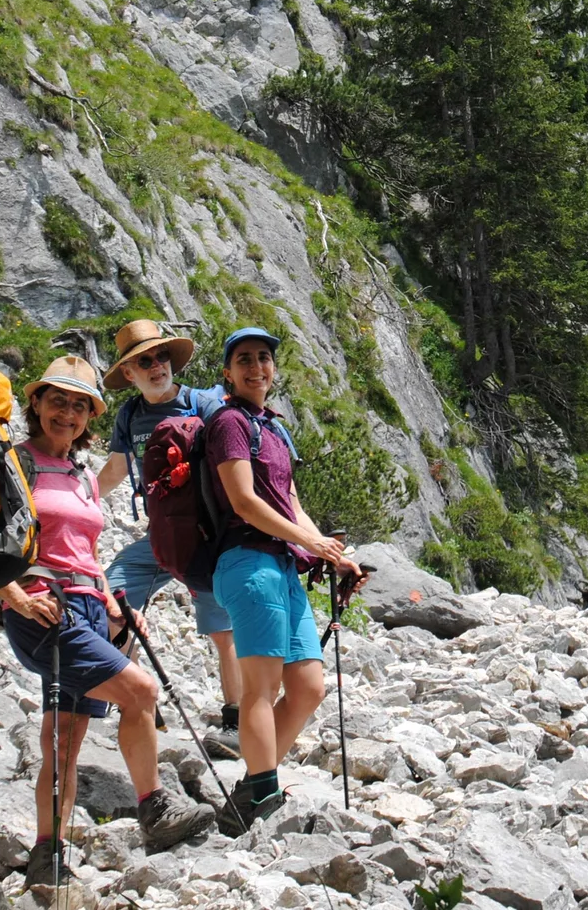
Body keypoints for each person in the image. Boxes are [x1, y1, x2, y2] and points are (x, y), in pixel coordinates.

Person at [0, 355, 215, 878]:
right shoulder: (13, 463)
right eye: (57, 401)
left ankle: (46, 857)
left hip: (91, 609)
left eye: (79, 405)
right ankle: (155, 811)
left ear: (91, 416)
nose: (67, 413)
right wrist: (15, 597)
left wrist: (118, 608)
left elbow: (85, 551)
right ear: (36, 403)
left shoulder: (82, 476)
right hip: (44, 609)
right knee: (141, 692)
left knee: (65, 738)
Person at [206, 327, 365, 835]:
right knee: (260, 688)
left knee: (308, 686)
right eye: (244, 360)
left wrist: (331, 553)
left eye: (264, 358)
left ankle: (252, 788)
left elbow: (289, 501)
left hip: (282, 566)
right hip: (247, 563)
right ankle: (264, 795)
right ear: (227, 373)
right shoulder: (230, 422)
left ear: (274, 369)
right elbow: (245, 502)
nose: (256, 367)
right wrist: (311, 544)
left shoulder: (272, 428)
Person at [99, 319, 249, 759]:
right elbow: (113, 470)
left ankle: (236, 720)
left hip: (208, 536)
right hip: (161, 534)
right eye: (144, 361)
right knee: (113, 601)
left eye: (161, 356)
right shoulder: (129, 416)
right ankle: (136, 702)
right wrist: (75, 495)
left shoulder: (201, 404)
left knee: (223, 633)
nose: (156, 366)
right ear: (129, 373)